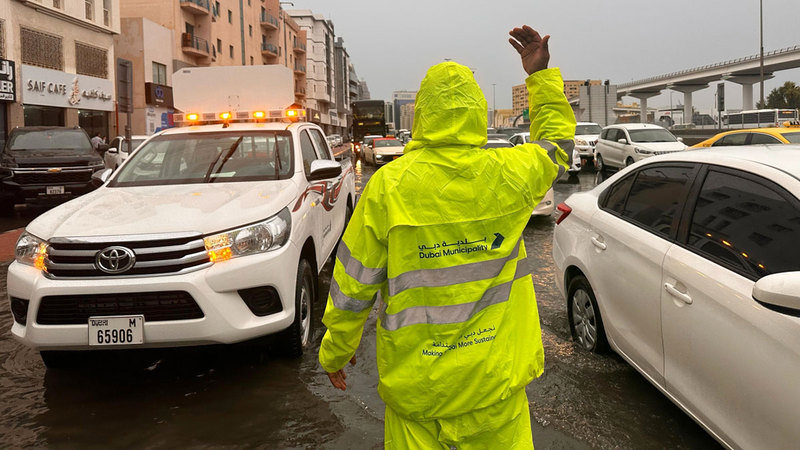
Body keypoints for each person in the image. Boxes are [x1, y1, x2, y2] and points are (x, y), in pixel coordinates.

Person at [318, 25, 575, 449]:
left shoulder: (389, 187)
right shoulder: (509, 175)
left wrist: (335, 350)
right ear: (476, 112)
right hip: (495, 390)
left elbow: (352, 287)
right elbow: (558, 146)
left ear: (422, 115)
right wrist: (539, 76)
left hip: (420, 392)